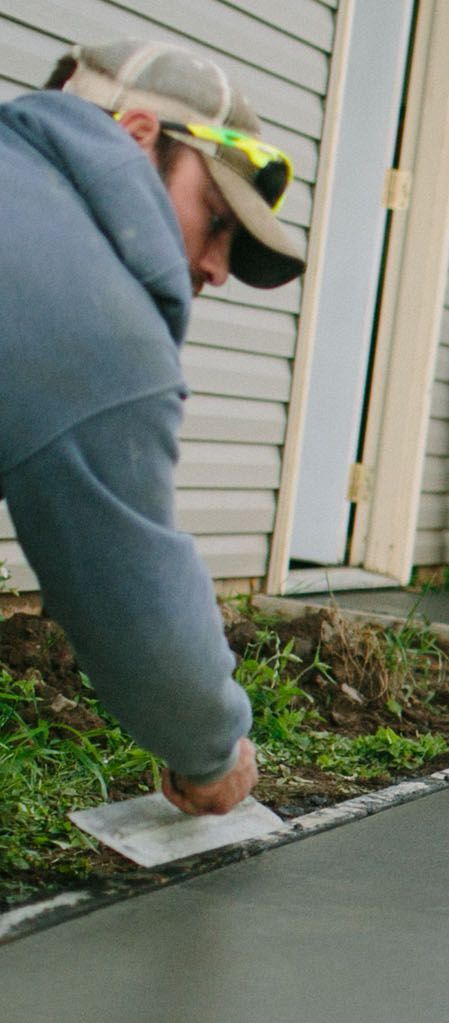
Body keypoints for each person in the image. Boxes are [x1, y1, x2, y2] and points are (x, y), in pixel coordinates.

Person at [0, 39, 306, 814]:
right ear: (137, 136)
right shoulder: (95, 310)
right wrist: (210, 751)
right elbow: (130, 595)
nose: (216, 268)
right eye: (214, 218)